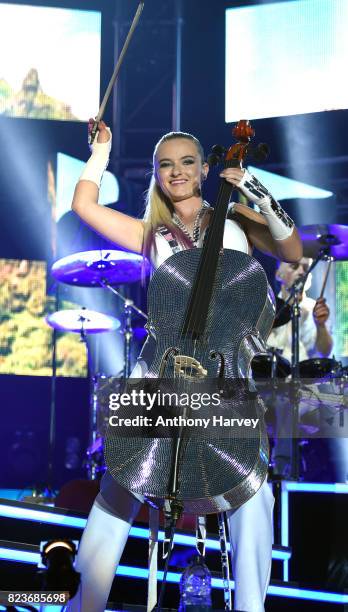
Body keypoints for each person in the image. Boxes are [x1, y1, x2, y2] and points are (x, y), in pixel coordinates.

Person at [66, 119, 303, 612]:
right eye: (165, 165)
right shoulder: (149, 232)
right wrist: (101, 152)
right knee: (119, 490)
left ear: (205, 169)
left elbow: (292, 248)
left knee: (253, 494)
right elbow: (84, 206)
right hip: (161, 376)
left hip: (225, 380)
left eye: (187, 162)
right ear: (156, 174)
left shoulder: (237, 222)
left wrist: (255, 190)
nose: (177, 172)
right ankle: (83, 605)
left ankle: (251, 608)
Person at [267, 257, 333, 362]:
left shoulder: (316, 310)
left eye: (306, 268)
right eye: (294, 266)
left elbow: (325, 352)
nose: (302, 272)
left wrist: (321, 326)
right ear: (278, 274)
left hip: (306, 377)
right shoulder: (268, 309)